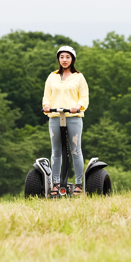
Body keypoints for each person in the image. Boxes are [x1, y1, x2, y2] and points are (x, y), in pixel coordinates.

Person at [42, 46, 89, 196]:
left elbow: (84, 97)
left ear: (72, 59)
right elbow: (46, 96)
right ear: (58, 59)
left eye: (67, 57)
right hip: (55, 117)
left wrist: (77, 106)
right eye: (61, 57)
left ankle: (78, 184)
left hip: (73, 117)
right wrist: (47, 106)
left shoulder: (79, 77)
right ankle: (55, 184)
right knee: (56, 151)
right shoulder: (52, 76)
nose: (64, 60)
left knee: (75, 150)